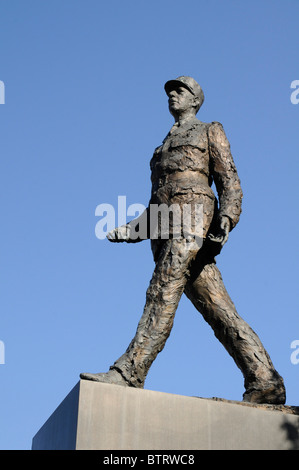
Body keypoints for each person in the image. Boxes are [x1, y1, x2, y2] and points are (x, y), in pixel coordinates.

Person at [80, 76, 286, 404]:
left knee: (162, 289)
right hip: (163, 227)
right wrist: (132, 229)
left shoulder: (209, 130)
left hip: (194, 218)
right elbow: (155, 202)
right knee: (218, 308)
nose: (173, 95)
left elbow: (230, 181)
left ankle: (129, 372)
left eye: (181, 90)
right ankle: (265, 380)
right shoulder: (159, 150)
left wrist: (227, 218)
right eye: (170, 92)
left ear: (195, 99)